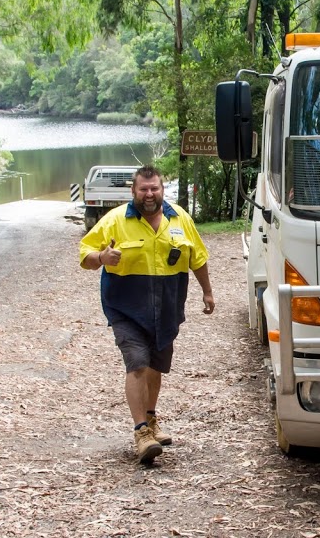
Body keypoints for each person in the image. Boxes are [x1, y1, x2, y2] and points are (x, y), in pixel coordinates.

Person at [79, 165, 215, 464]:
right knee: (138, 364)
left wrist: (207, 291)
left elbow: (198, 257)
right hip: (126, 308)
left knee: (156, 367)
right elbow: (85, 256)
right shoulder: (115, 220)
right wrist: (102, 257)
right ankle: (141, 432)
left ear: (162, 190)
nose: (149, 194)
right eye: (143, 189)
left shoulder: (179, 218)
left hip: (167, 308)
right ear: (134, 191)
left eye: (154, 188)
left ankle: (151, 421)